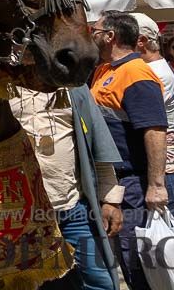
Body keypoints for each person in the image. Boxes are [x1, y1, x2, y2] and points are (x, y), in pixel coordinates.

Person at [11, 86, 124, 290]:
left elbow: (96, 145)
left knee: (100, 282)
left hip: (72, 208)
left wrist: (110, 200)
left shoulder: (74, 87)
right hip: (19, 214)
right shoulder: (1, 83)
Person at [89, 10, 169, 290]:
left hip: (132, 181)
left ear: (110, 36)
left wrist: (157, 185)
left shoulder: (136, 73)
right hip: (110, 180)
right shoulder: (104, 70)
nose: (91, 35)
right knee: (121, 258)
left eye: (94, 30)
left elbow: (155, 130)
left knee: (136, 260)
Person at [134, 14, 174, 214]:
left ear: (142, 41)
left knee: (164, 240)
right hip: (161, 169)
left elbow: (150, 123)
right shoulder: (147, 69)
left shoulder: (153, 73)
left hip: (165, 171)